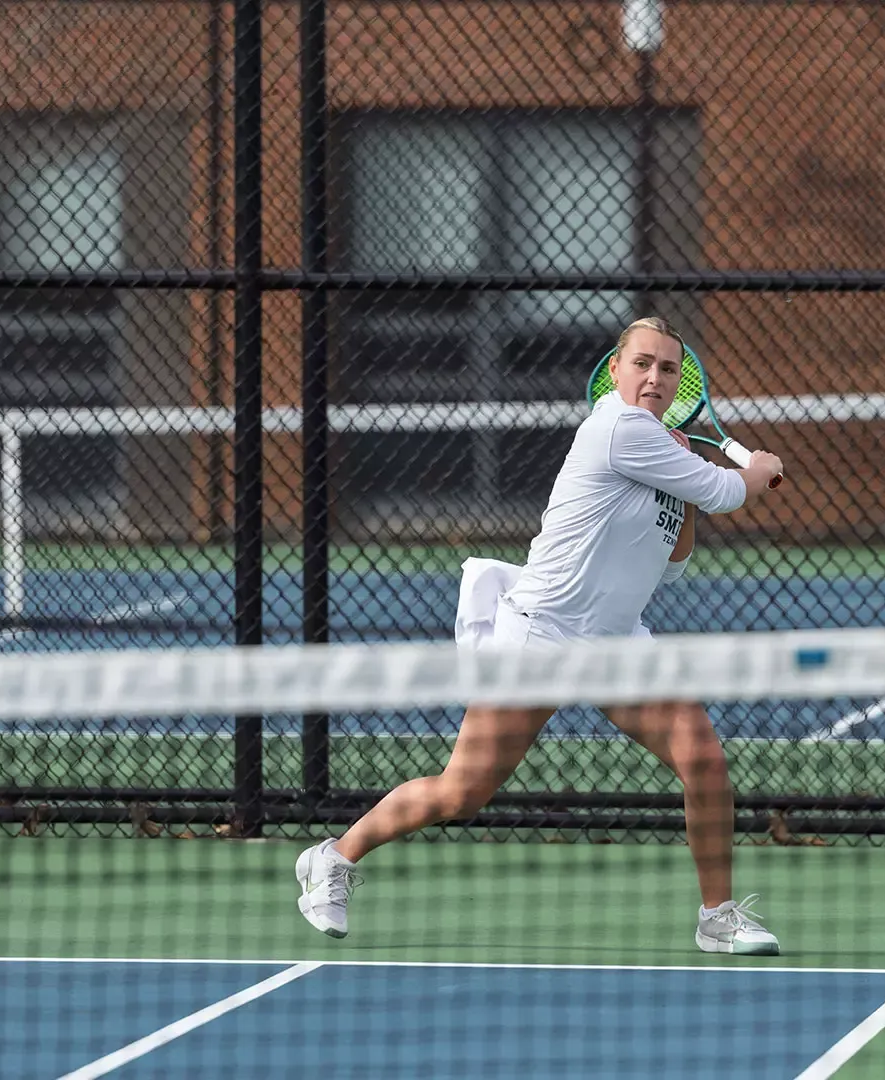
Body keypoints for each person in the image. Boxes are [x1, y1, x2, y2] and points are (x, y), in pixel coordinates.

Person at [294, 316, 786, 955]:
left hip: (613, 643)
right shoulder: (616, 427)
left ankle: (717, 916)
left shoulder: (664, 448)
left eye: (668, 368)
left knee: (704, 761)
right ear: (615, 371)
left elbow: (674, 558)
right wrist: (754, 471)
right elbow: (727, 492)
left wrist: (687, 476)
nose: (655, 377)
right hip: (542, 634)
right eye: (642, 363)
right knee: (463, 791)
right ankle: (332, 856)